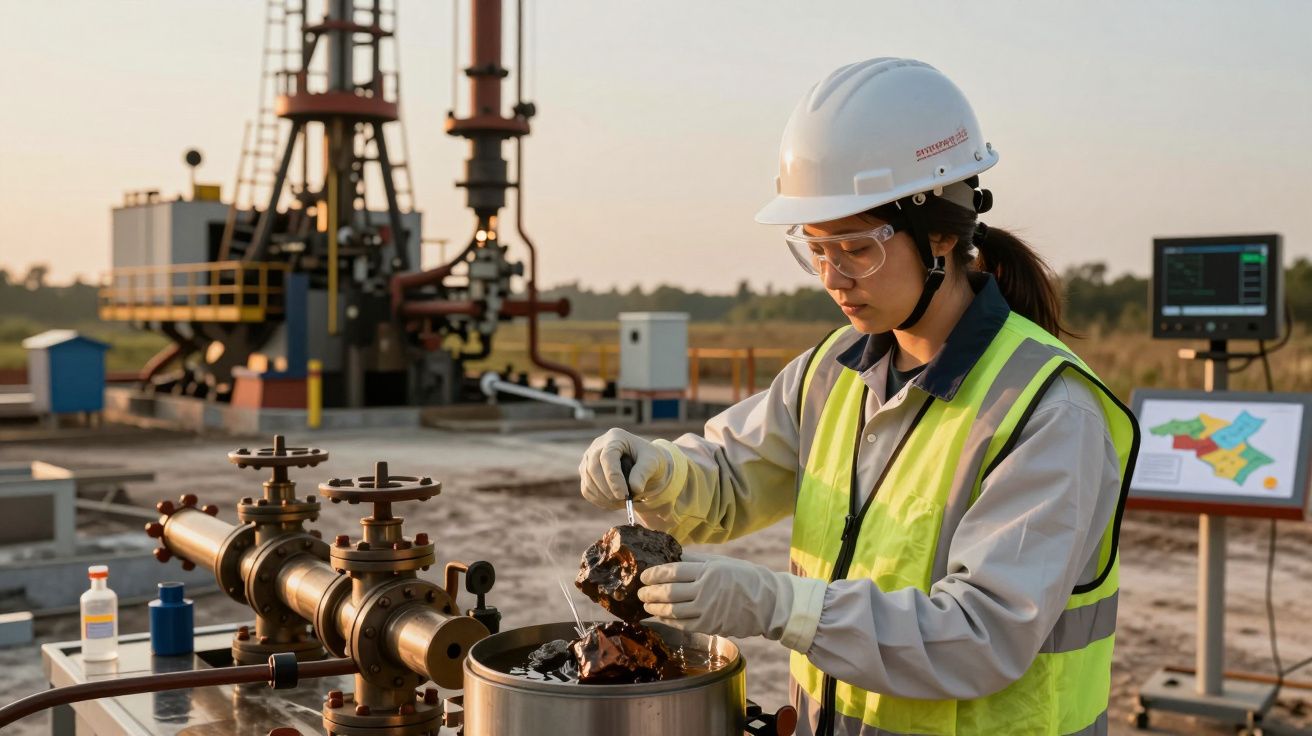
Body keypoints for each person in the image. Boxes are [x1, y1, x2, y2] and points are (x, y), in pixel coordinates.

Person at [579, 58, 1139, 736]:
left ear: (940, 235)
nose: (833, 277)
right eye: (815, 249)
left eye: (856, 249)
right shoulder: (832, 371)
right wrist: (661, 470)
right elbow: (730, 481)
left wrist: (781, 606)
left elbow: (980, 635)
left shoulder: (1048, 411)